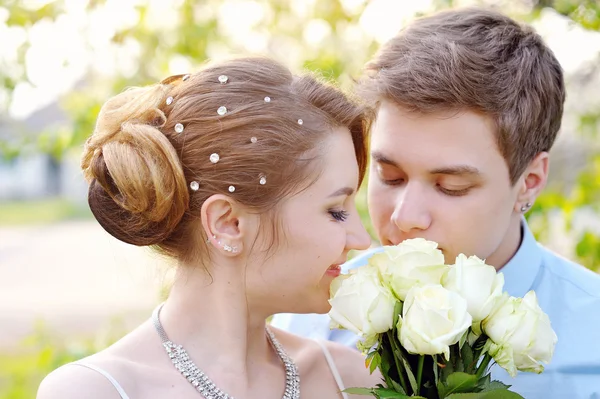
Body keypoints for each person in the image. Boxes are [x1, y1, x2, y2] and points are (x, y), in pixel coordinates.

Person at [271, 8, 600, 398]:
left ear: (529, 182)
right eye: (390, 177)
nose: (405, 217)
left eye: (451, 186)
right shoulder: (314, 316)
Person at [37, 57, 382, 399]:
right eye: (336, 211)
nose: (362, 240)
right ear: (227, 224)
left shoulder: (352, 381)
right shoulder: (96, 391)